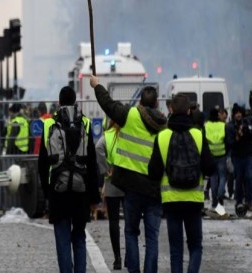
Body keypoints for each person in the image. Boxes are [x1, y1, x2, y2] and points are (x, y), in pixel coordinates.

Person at [90, 75, 166, 273]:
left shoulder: (130, 115)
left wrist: (97, 86)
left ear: (140, 100)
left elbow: (108, 105)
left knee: (131, 232)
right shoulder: (164, 126)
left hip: (131, 188)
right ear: (157, 103)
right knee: (152, 238)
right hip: (154, 189)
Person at [149, 93, 215, 273]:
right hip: (194, 199)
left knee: (175, 249)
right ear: (188, 111)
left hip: (171, 201)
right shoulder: (198, 135)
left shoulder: (162, 137)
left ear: (170, 109)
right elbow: (210, 167)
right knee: (195, 246)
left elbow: (153, 172)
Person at [37, 86, 100, 273]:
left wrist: (47, 191)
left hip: (58, 190)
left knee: (62, 239)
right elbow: (92, 162)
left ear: (59, 103)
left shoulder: (49, 125)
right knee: (79, 237)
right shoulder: (86, 124)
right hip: (81, 192)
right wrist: (94, 196)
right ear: (75, 102)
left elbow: (42, 164)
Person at [96, 118, 124, 270]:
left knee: (114, 222)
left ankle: (117, 258)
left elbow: (98, 148)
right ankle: (130, 256)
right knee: (130, 223)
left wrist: (106, 169)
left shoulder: (106, 136)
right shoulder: (127, 134)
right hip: (128, 182)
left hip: (112, 182)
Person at [227, 104, 252, 214]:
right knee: (238, 179)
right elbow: (230, 143)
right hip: (237, 156)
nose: (238, 115)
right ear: (234, 114)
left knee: (249, 177)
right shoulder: (230, 126)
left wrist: (248, 132)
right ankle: (238, 201)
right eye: (236, 113)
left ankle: (249, 201)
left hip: (247, 155)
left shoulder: (247, 123)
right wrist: (237, 137)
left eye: (240, 112)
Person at [204, 107, 227, 209]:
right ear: (217, 115)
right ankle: (220, 194)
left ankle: (214, 201)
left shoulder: (206, 125)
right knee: (222, 177)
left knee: (213, 178)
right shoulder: (223, 125)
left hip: (211, 154)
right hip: (221, 153)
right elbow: (226, 138)